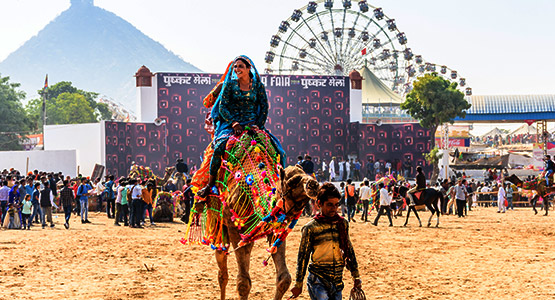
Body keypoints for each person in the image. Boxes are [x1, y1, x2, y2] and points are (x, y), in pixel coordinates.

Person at [197, 55, 286, 197]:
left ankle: (282, 186)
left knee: (279, 152)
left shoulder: (258, 87)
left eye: (240, 66)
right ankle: (210, 185)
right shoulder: (229, 85)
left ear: (249, 68)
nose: (237, 69)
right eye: (235, 67)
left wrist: (258, 125)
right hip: (232, 125)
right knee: (219, 149)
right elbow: (223, 107)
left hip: (253, 126)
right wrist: (234, 123)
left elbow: (264, 108)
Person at [290, 182, 361, 299]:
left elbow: (349, 249)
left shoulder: (342, 224)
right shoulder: (310, 228)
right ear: (319, 204)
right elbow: (303, 256)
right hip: (318, 280)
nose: (334, 209)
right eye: (329, 205)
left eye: (336, 205)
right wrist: (298, 283)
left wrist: (356, 275)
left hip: (337, 281)